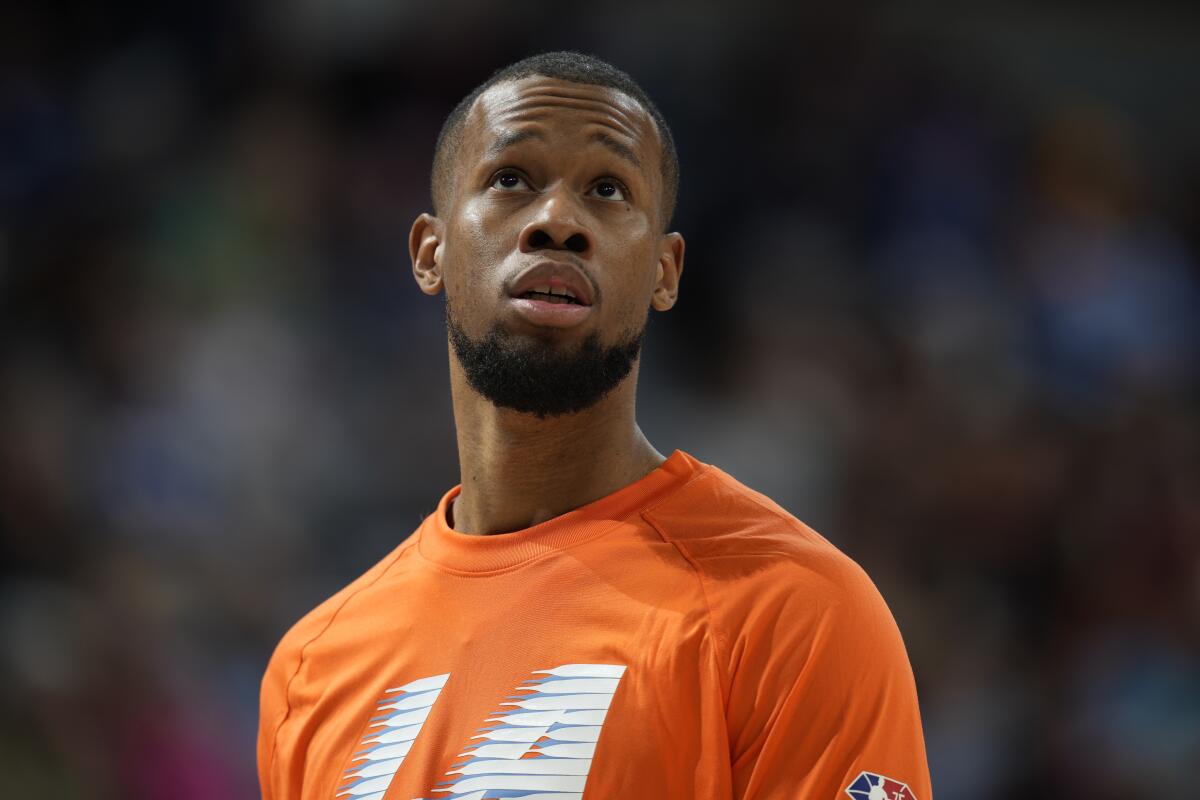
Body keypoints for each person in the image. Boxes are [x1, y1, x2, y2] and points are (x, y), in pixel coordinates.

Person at [257, 51, 931, 800]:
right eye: (510, 179)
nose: (557, 222)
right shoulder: (314, 669)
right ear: (430, 251)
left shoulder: (794, 613)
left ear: (664, 273)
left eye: (608, 190)